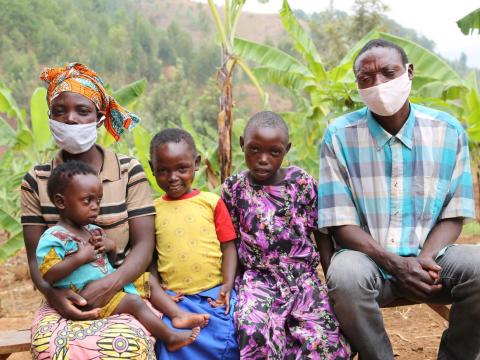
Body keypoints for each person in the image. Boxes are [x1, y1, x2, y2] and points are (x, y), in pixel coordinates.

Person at [319, 39, 480, 360]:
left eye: (388, 73)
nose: (378, 85)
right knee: (345, 276)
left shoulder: (446, 131)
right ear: (357, 86)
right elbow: (340, 224)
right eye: (366, 78)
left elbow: (454, 213)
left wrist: (423, 262)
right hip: (368, 264)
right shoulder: (339, 135)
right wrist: (394, 264)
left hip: (433, 263)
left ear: (409, 72)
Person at [21, 63, 159, 358]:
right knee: (51, 348)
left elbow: (144, 245)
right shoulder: (36, 181)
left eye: (82, 110)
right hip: (65, 296)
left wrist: (111, 283)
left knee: (124, 346)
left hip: (122, 289)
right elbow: (35, 258)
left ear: (99, 117)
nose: (69, 118)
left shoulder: (128, 171)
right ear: (50, 116)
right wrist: (53, 295)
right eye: (59, 110)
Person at [36, 161, 211, 352]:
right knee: (134, 302)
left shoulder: (93, 230)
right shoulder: (54, 237)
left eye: (98, 200)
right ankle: (170, 338)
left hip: (110, 287)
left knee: (148, 280)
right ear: (61, 202)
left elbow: (109, 264)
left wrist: (110, 248)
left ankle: (178, 315)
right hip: (84, 298)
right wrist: (79, 258)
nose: (96, 207)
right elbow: (49, 273)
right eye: (87, 201)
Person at [222, 111, 351, 359]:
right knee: (254, 332)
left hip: (303, 278)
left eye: (274, 152)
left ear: (286, 150)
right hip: (258, 279)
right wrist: (235, 287)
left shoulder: (302, 184)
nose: (263, 159)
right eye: (254, 149)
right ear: (241, 144)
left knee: (325, 339)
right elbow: (231, 241)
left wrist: (330, 281)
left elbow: (321, 233)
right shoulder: (234, 188)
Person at [149, 128, 240, 359]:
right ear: (152, 169)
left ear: (196, 163)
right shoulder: (152, 210)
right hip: (176, 299)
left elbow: (228, 246)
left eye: (181, 168)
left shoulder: (212, 203)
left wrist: (228, 285)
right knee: (172, 339)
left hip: (214, 293)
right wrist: (159, 291)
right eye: (163, 171)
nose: (173, 178)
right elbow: (151, 258)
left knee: (226, 336)